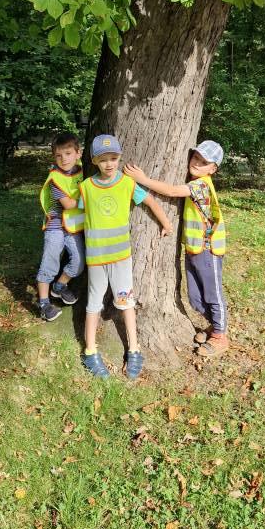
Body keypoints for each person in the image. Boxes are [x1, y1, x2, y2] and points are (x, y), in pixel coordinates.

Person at [77, 134, 173, 379]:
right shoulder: (86, 187)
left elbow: (149, 200)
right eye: (103, 159)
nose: (109, 164)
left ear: (119, 157)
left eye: (113, 158)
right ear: (94, 161)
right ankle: (90, 351)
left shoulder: (127, 184)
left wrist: (166, 223)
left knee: (126, 302)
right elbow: (75, 216)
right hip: (96, 259)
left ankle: (134, 349)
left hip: (121, 258)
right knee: (93, 303)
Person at [125, 140, 228, 358]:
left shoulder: (201, 185)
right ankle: (213, 326)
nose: (197, 163)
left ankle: (220, 335)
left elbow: (172, 191)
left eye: (204, 162)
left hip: (208, 250)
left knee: (212, 293)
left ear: (213, 169)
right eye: (196, 157)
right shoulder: (196, 182)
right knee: (195, 297)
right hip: (194, 249)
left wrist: (143, 180)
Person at [37, 132, 85, 322]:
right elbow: (69, 204)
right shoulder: (55, 179)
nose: (63, 159)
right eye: (58, 155)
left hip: (73, 226)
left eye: (68, 153)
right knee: (50, 263)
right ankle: (43, 304)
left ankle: (59, 287)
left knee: (79, 262)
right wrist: (92, 200)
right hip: (55, 227)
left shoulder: (82, 171)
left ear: (78, 153)